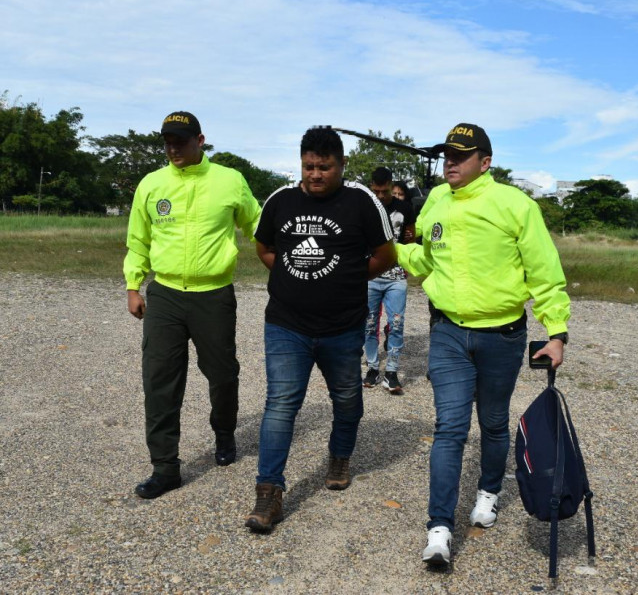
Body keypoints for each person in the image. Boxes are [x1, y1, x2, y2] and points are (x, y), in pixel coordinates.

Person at [396, 123, 571, 566]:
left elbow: (544, 272)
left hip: (502, 336)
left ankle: (489, 492)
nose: (450, 162)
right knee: (450, 428)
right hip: (449, 332)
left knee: (493, 423)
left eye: (460, 155)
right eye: (446, 155)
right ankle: (439, 529)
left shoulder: (516, 205)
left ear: (485, 162)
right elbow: (425, 259)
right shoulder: (436, 201)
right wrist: (389, 251)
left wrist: (556, 332)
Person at [245, 126, 396, 533]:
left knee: (346, 400)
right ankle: (269, 492)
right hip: (286, 324)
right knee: (281, 404)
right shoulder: (281, 199)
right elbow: (263, 247)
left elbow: (386, 254)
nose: (315, 174)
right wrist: (292, 275)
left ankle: (340, 457)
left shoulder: (362, 201)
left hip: (342, 326)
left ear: (342, 165)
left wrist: (347, 277)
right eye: (308, 166)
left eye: (324, 167)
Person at [124, 111, 262, 499]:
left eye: (180, 141)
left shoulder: (230, 181)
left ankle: (224, 432)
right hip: (165, 294)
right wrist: (134, 285)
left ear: (200, 140)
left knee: (222, 375)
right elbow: (139, 239)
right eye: (167, 141)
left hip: (214, 294)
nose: (172, 148)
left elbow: (258, 226)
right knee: (160, 382)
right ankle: (165, 468)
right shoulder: (152, 184)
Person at [362, 167, 416, 395]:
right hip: (371, 277)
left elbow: (411, 234)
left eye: (384, 191)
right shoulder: (365, 206)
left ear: (391, 186)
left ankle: (391, 371)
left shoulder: (404, 206)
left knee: (396, 323)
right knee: (369, 324)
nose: (381, 196)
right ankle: (373, 367)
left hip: (396, 277)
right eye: (376, 191)